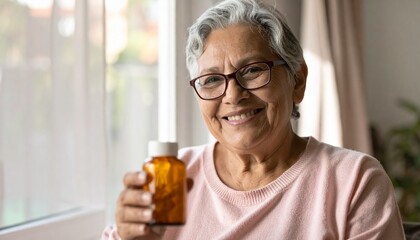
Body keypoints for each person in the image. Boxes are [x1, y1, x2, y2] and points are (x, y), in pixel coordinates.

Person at [102, 0, 405, 239]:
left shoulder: (354, 181)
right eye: (210, 79)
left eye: (252, 70)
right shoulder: (172, 179)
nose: (232, 95)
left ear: (297, 81)